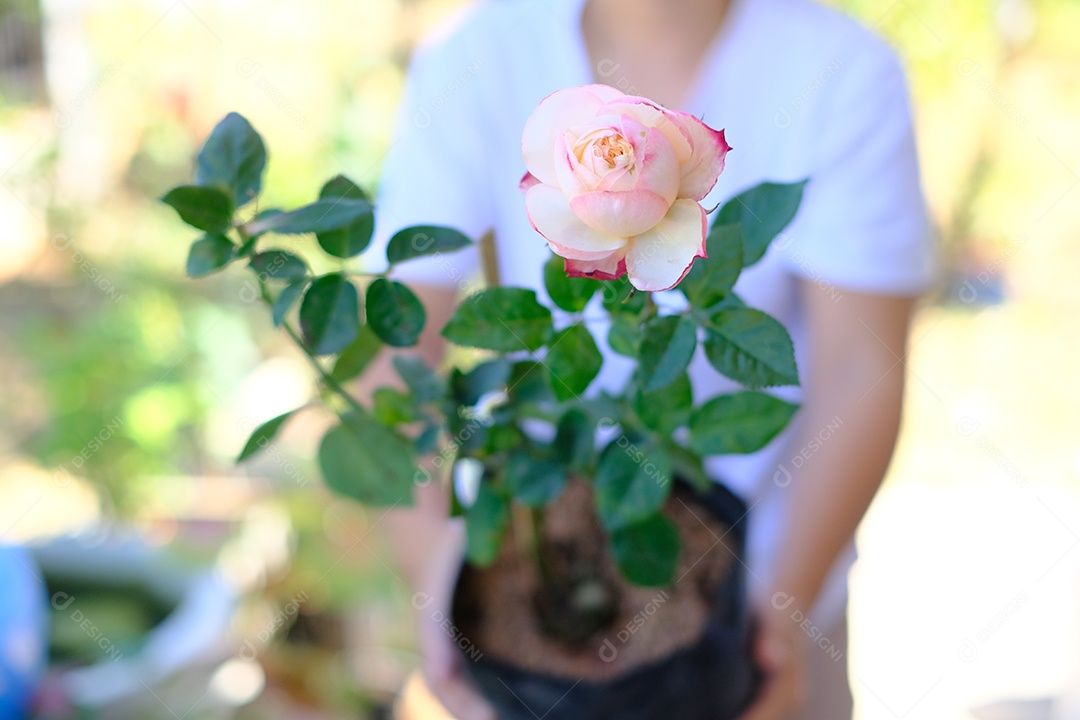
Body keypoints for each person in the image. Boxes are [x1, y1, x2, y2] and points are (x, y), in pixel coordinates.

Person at [375, 0, 935, 718]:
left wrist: (777, 622)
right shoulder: (476, 54)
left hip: (774, 577)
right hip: (546, 556)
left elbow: (864, 369)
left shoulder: (842, 72)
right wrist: (436, 580)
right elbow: (399, 349)